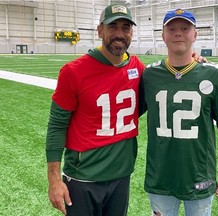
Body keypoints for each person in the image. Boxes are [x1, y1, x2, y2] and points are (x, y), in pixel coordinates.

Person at [46, 4, 145, 216]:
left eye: (125, 28)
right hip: (83, 178)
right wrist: (54, 180)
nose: (119, 34)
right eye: (113, 27)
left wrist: (194, 61)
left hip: (122, 176)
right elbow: (56, 126)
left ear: (132, 32)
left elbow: (142, 105)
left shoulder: (137, 67)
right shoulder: (73, 72)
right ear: (100, 30)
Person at [139, 9, 218, 216]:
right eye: (172, 29)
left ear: (195, 34)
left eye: (185, 28)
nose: (178, 33)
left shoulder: (214, 75)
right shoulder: (149, 75)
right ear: (163, 35)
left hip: (200, 175)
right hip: (161, 176)